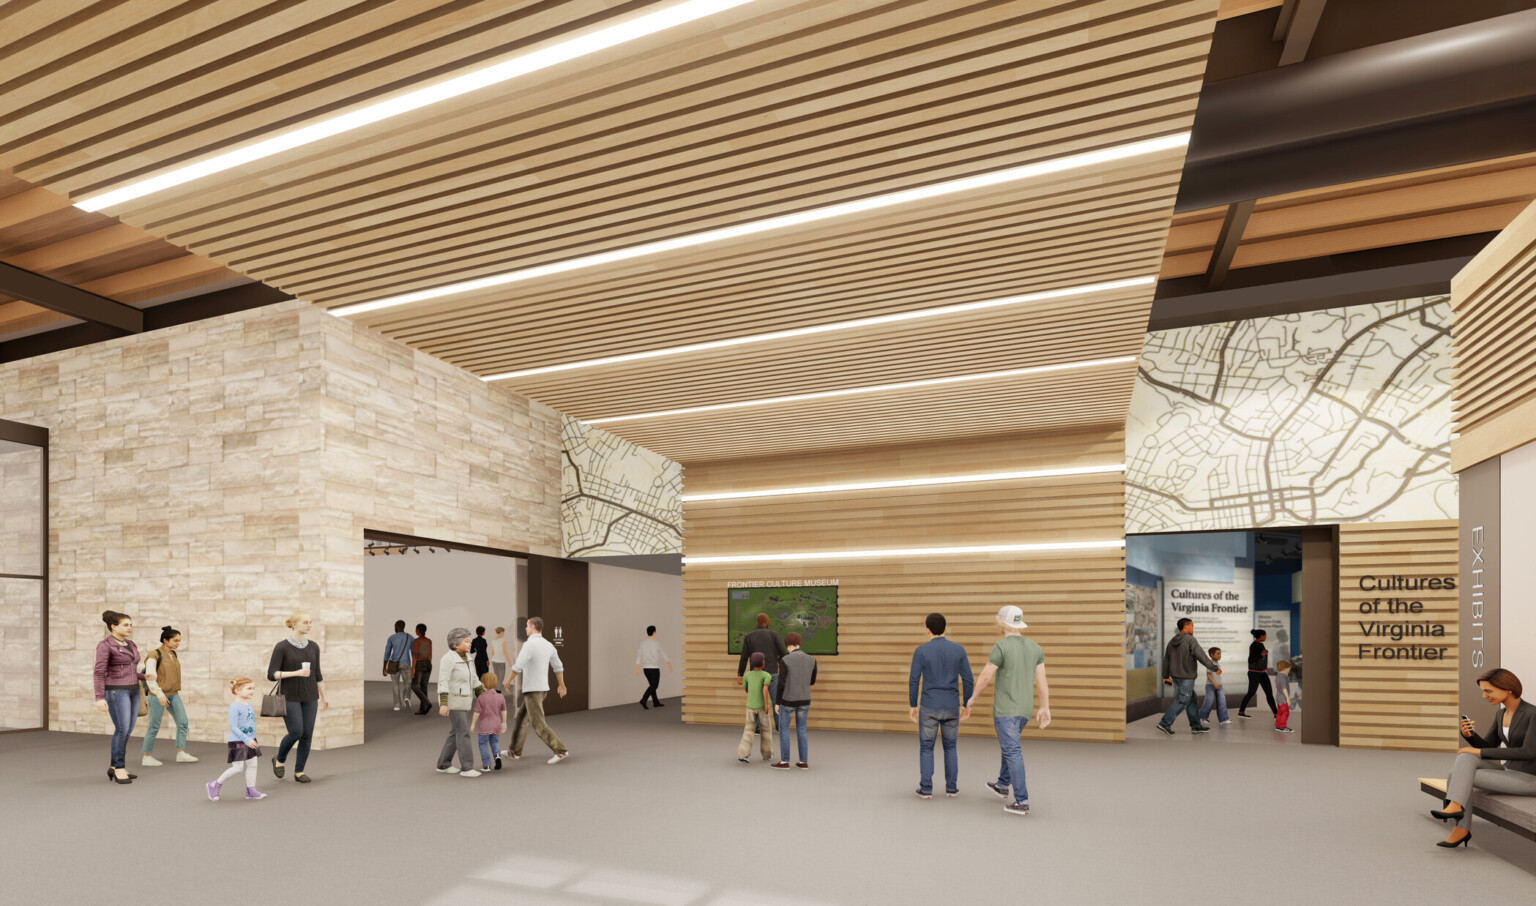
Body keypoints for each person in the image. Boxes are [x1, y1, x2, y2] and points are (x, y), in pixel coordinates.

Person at [1432, 668, 1536, 848]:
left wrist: (1478, 752)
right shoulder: (1500, 714)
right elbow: (1488, 747)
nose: (1484, 696)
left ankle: (1459, 825)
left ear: (1508, 688)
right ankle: (1458, 822)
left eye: (1489, 691)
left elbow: (1528, 752)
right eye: (1483, 691)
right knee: (1462, 762)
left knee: (1457, 773)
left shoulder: (1532, 714)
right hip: (1509, 772)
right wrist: (1470, 736)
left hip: (1530, 779)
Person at [967, 605, 1050, 816]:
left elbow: (986, 675)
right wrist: (1044, 707)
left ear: (1002, 623)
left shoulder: (1001, 646)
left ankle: (1022, 800)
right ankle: (1002, 784)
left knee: (1012, 751)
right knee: (1010, 744)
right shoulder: (1035, 647)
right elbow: (1042, 681)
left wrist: (973, 698)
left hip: (1006, 710)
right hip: (1025, 710)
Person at [908, 612, 974, 799]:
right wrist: (966, 704)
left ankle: (926, 789)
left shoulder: (921, 651)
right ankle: (951, 788)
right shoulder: (959, 650)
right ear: (945, 628)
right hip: (952, 705)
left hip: (929, 705)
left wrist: (913, 704)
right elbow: (968, 679)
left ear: (927, 629)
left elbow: (914, 680)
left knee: (926, 747)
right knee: (951, 747)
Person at [266, 610, 330, 784]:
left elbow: (318, 674)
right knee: (296, 732)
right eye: (305, 622)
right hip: (290, 696)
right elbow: (271, 674)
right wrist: (296, 673)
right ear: (294, 624)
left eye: (310, 622)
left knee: (307, 735)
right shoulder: (282, 647)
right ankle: (279, 759)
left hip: (311, 696)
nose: (309, 625)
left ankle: (299, 771)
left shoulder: (314, 647)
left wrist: (324, 696)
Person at [505, 617, 570, 764]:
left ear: (533, 626)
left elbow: (518, 666)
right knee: (522, 719)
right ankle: (514, 752)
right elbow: (558, 666)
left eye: (527, 626)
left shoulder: (529, 645)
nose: (525, 629)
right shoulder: (548, 645)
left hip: (532, 690)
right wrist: (561, 684)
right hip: (542, 689)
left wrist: (508, 680)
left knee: (538, 723)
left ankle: (560, 750)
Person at [94, 610, 143, 784]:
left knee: (127, 729)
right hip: (116, 691)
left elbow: (130, 670)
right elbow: (99, 673)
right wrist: (99, 697)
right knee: (122, 729)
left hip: (133, 690)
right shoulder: (105, 645)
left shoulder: (130, 644)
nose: (130, 627)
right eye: (125, 624)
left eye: (130, 624)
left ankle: (114, 766)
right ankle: (119, 767)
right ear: (113, 626)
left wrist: (145, 677)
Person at [1156, 617, 1222, 736]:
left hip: (1176, 677)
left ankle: (1196, 727)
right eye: (1192, 626)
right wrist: (1214, 668)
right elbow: (1202, 656)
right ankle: (1164, 723)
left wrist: (1165, 676)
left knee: (1192, 701)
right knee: (1182, 701)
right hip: (1186, 677)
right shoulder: (1190, 640)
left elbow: (1166, 659)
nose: (1193, 628)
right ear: (1186, 626)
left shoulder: (1172, 641)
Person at [142, 625, 196, 766]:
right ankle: (147, 756)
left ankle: (181, 753)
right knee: (154, 726)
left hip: (173, 694)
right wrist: (159, 694)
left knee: (183, 722)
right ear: (165, 640)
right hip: (157, 695)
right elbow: (150, 677)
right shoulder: (154, 655)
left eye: (179, 640)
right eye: (175, 641)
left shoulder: (173, 654)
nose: (178, 643)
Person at [207, 677, 266, 801]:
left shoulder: (248, 705)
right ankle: (214, 784)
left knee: (253, 765)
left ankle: (251, 790)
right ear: (238, 690)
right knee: (237, 768)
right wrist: (247, 739)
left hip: (250, 740)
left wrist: (253, 738)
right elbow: (233, 727)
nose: (252, 691)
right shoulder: (234, 707)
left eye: (253, 688)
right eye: (249, 688)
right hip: (238, 741)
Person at [435, 627, 483, 777]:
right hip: (453, 701)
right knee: (463, 732)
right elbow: (443, 681)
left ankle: (443, 764)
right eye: (466, 641)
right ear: (455, 644)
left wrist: (483, 696)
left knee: (455, 732)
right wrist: (443, 703)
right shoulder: (448, 659)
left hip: (464, 700)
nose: (470, 644)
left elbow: (474, 678)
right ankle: (467, 768)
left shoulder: (468, 658)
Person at [737, 613, 787, 740]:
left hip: (756, 675)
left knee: (758, 701)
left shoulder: (749, 636)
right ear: (766, 622)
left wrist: (740, 674)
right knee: (776, 700)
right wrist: (781, 664)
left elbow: (743, 657)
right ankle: (780, 727)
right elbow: (783, 653)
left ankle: (758, 729)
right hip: (772, 673)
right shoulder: (773, 634)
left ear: (758, 622)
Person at [773, 631, 817, 770]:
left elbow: (781, 684)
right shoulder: (812, 660)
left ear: (787, 645)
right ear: (799, 643)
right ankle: (803, 761)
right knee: (802, 731)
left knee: (784, 731)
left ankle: (785, 761)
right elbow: (812, 681)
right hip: (804, 700)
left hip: (788, 700)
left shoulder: (785, 660)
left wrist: (777, 703)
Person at [738, 652, 775, 763]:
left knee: (748, 730)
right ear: (763, 663)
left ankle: (743, 753)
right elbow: (764, 690)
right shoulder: (766, 675)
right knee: (766, 730)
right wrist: (766, 704)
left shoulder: (747, 675)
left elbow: (746, 689)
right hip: (762, 708)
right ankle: (767, 754)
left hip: (750, 707)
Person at [1237, 629, 1277, 719]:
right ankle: (1241, 711)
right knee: (1251, 692)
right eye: (1265, 635)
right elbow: (1251, 660)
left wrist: (1263, 654)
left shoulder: (1261, 644)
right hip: (1254, 673)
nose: (1266, 637)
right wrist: (1263, 654)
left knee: (1269, 693)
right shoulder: (1254, 645)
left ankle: (1276, 714)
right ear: (1261, 636)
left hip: (1262, 673)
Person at [471, 671, 506, 773]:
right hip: (496, 725)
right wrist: (504, 722)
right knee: (494, 742)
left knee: (483, 744)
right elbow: (504, 710)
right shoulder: (500, 697)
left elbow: (477, 712)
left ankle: (486, 765)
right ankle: (497, 756)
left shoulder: (481, 698)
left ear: (483, 684)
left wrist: (473, 724)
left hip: (484, 726)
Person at [635, 625, 672, 710]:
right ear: (654, 632)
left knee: (652, 685)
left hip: (645, 669)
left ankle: (655, 702)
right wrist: (668, 663)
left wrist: (637, 668)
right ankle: (644, 699)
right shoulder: (657, 643)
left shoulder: (642, 643)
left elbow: (638, 656)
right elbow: (663, 653)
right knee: (654, 686)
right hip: (654, 668)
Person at [383, 619, 413, 711]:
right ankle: (406, 698)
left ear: (396, 626)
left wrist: (384, 667)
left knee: (395, 684)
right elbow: (413, 653)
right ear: (404, 626)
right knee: (407, 682)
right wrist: (415, 666)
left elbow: (387, 653)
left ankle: (397, 705)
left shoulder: (391, 638)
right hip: (406, 663)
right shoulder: (410, 637)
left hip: (394, 664)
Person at [1198, 647, 1229, 726]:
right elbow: (1208, 675)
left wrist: (1218, 680)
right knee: (1209, 701)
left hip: (1219, 685)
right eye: (1218, 654)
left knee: (1222, 701)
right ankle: (1202, 717)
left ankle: (1223, 719)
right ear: (1211, 655)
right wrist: (1214, 683)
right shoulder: (1210, 663)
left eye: (1220, 653)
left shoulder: (1218, 663)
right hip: (1210, 686)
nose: (1220, 655)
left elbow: (1216, 674)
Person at [410, 624, 433, 715]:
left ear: (418, 630)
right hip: (428, 664)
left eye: (416, 630)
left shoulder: (416, 641)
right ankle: (423, 709)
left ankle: (427, 703)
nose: (415, 631)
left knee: (414, 685)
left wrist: (412, 669)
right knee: (424, 687)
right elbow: (430, 654)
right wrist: (429, 664)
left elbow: (415, 655)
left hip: (419, 664)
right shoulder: (429, 641)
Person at [1274, 660, 1297, 733]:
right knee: (1286, 712)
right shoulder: (1283, 677)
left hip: (1278, 696)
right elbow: (1284, 689)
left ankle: (1277, 726)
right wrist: (1288, 699)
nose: (1289, 671)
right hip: (1283, 697)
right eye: (1288, 669)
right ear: (1284, 669)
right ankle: (1282, 727)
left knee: (1280, 712)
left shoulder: (1278, 675)